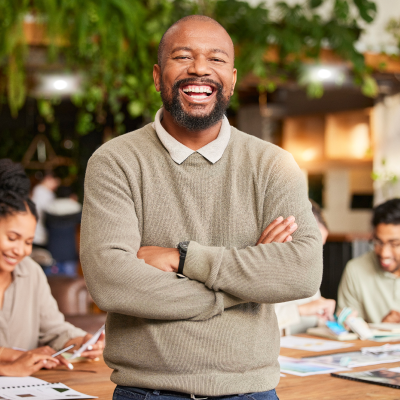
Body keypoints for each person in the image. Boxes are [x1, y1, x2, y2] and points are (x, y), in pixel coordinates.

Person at [81, 15, 322, 400]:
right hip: (148, 393)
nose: (199, 69)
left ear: (232, 78)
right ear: (158, 76)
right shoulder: (115, 161)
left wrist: (184, 258)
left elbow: (302, 273)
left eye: (216, 59)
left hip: (252, 392)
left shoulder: (274, 164)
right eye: (183, 56)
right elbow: (110, 281)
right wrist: (243, 284)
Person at [0, 159, 104, 376]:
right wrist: (9, 366)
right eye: (12, 238)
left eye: (28, 242)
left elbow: (54, 329)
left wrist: (81, 342)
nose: (20, 250)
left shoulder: (30, 272)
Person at [275, 200, 336, 334]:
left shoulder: (309, 271)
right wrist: (300, 310)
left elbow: (315, 319)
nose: (317, 255)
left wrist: (334, 322)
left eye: (321, 247)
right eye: (313, 247)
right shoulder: (269, 270)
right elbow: (257, 325)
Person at [338, 198, 400, 323]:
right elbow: (347, 329)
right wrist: (382, 329)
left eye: (395, 244)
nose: (384, 253)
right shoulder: (355, 270)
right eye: (378, 242)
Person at [45, 186, 82, 276]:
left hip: (52, 250)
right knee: (70, 282)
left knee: (51, 283)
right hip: (70, 251)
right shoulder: (76, 209)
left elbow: (45, 226)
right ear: (71, 196)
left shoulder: (49, 208)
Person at [32, 172, 60, 247]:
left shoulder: (37, 189)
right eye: (55, 183)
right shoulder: (46, 193)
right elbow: (49, 212)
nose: (56, 186)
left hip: (35, 232)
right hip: (40, 234)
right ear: (49, 179)